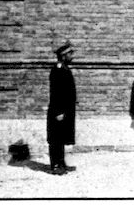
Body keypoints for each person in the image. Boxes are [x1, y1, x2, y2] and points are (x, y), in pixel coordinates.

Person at [47, 41, 77, 175]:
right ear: (64, 56)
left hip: (65, 109)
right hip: (58, 110)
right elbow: (56, 92)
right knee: (56, 138)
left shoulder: (64, 68)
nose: (72, 56)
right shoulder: (58, 69)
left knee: (61, 137)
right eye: (70, 54)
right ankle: (55, 165)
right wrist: (58, 111)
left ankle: (61, 163)